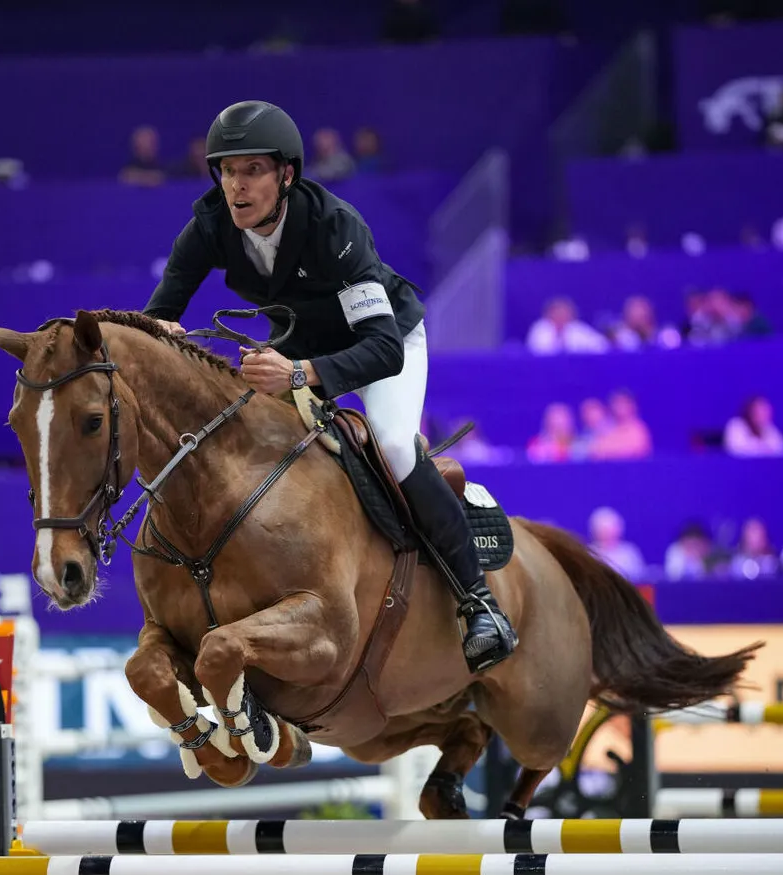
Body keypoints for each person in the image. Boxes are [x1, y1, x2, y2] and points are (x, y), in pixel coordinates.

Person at [143, 100, 517, 672]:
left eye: (252, 171)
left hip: (384, 342)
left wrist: (298, 374)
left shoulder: (334, 227)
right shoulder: (210, 226)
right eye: (227, 171)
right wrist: (158, 332)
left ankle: (479, 603)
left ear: (286, 175)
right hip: (299, 344)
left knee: (392, 446)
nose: (236, 186)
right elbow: (158, 315)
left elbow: (382, 348)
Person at [526, 297, 608, 355]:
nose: (560, 316)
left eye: (564, 313)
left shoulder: (578, 328)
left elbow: (601, 345)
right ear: (549, 314)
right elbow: (535, 350)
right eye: (557, 313)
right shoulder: (540, 328)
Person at [588, 391, 653, 461]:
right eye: (616, 403)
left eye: (623, 403)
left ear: (632, 405)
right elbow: (597, 450)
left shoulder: (638, 429)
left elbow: (637, 449)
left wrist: (610, 451)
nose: (619, 407)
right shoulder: (608, 428)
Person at [587, 507, 646, 582]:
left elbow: (641, 580)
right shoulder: (589, 554)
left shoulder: (629, 553)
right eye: (603, 530)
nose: (607, 534)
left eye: (610, 529)